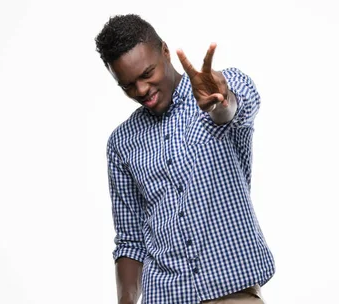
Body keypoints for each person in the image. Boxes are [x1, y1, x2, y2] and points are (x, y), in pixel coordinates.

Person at [94, 14, 275, 304]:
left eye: (146, 74)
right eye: (127, 85)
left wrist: (221, 101)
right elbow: (130, 241)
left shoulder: (218, 91)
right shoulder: (122, 143)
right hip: (164, 296)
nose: (141, 91)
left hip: (232, 293)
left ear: (165, 51)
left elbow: (238, 109)